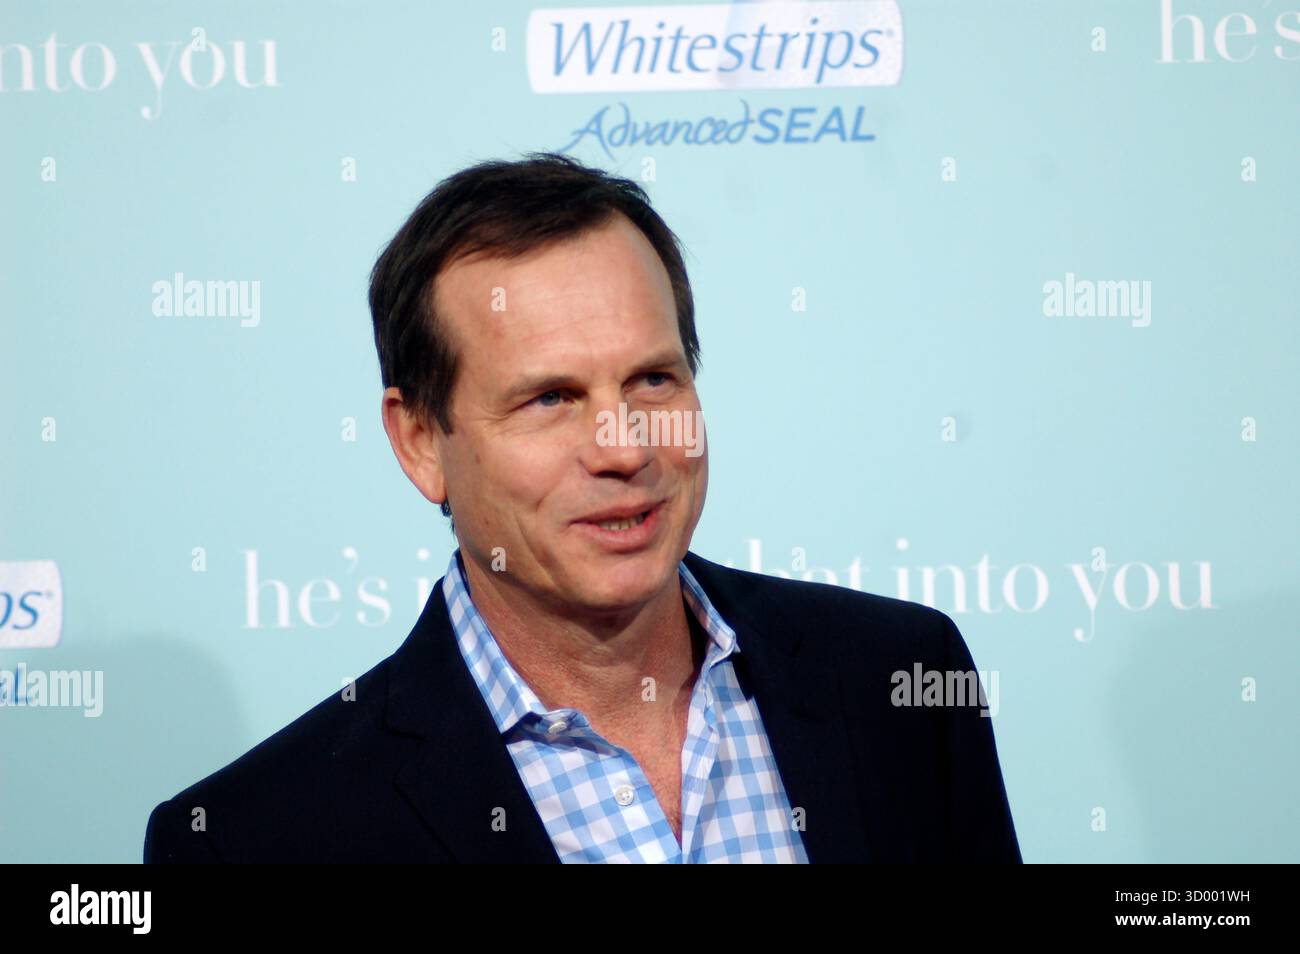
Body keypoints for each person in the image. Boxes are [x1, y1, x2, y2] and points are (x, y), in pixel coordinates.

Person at [144, 152, 1021, 863]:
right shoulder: (259, 842)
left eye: (653, 379)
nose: (624, 447)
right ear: (419, 441)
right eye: (551, 399)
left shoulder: (896, 681)